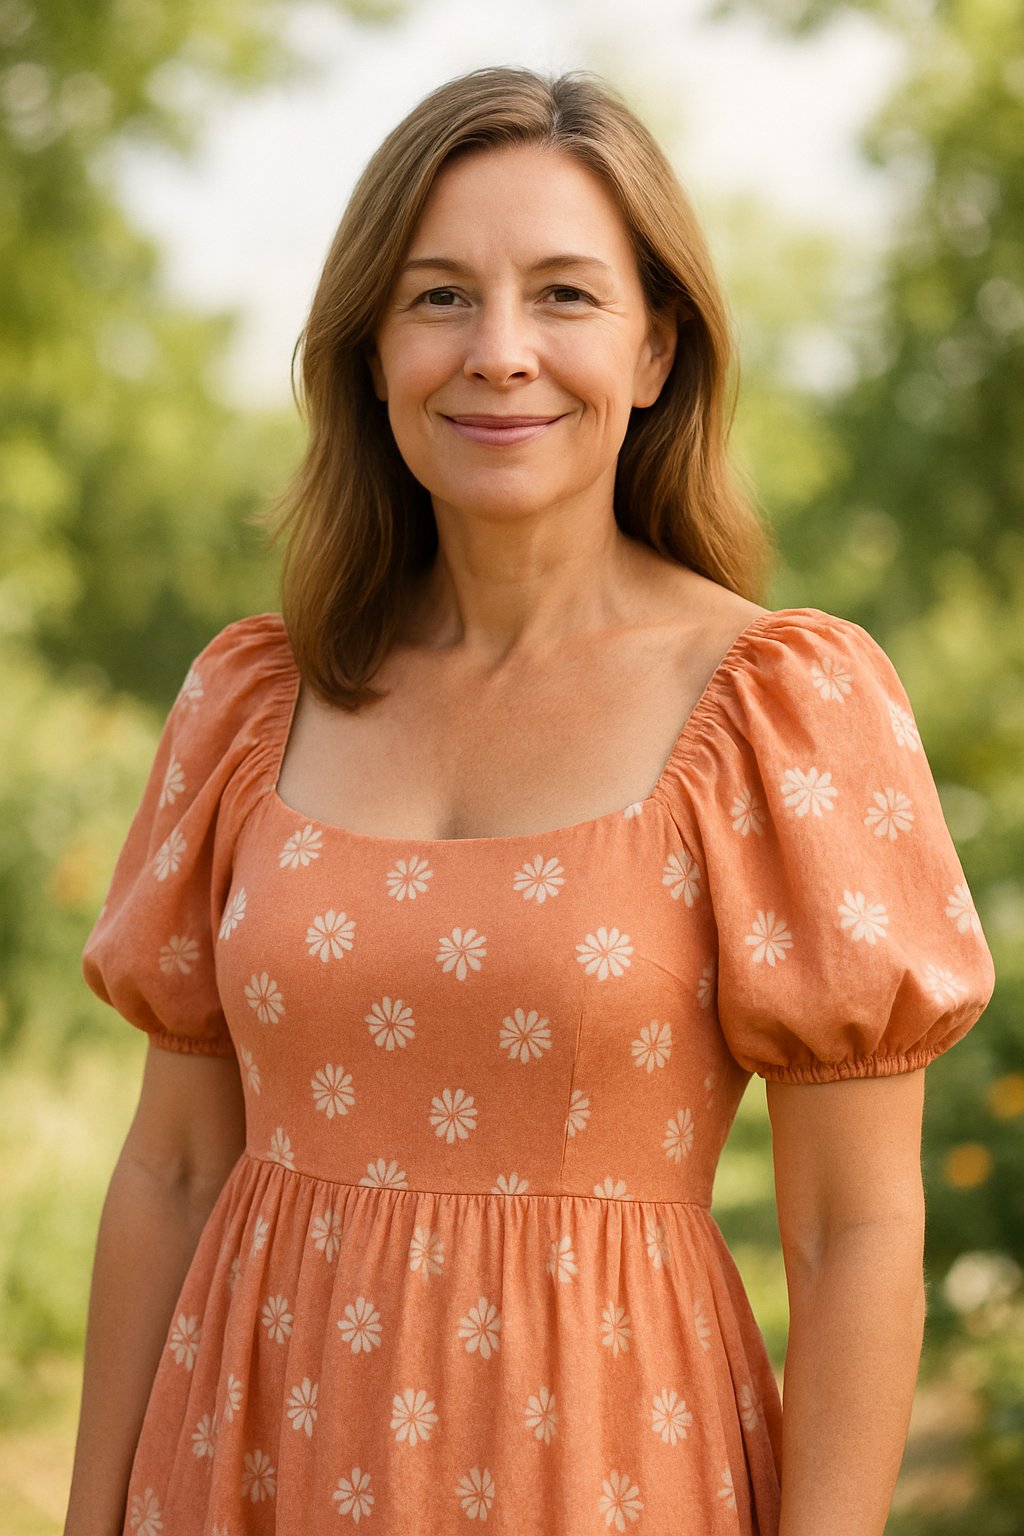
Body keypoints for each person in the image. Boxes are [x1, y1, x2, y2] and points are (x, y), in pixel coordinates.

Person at [64, 63, 995, 1536]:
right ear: (371, 353)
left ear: (655, 350)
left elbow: (855, 1226)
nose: (500, 351)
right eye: (439, 297)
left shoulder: (777, 710)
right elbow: (174, 1168)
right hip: (243, 1465)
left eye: (564, 295)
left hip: (609, 1470)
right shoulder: (252, 702)